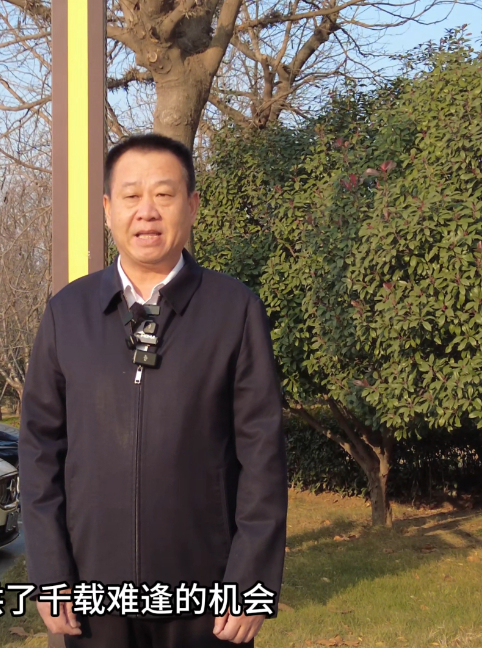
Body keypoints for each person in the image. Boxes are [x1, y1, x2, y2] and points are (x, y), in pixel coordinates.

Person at [20, 133, 288, 647]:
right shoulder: (67, 314)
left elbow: (262, 455)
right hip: (92, 595)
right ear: (107, 208)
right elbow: (39, 450)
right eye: (131, 195)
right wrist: (50, 569)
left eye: (164, 195)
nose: (147, 211)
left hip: (207, 596)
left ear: (192, 206)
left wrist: (251, 580)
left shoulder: (234, 310)